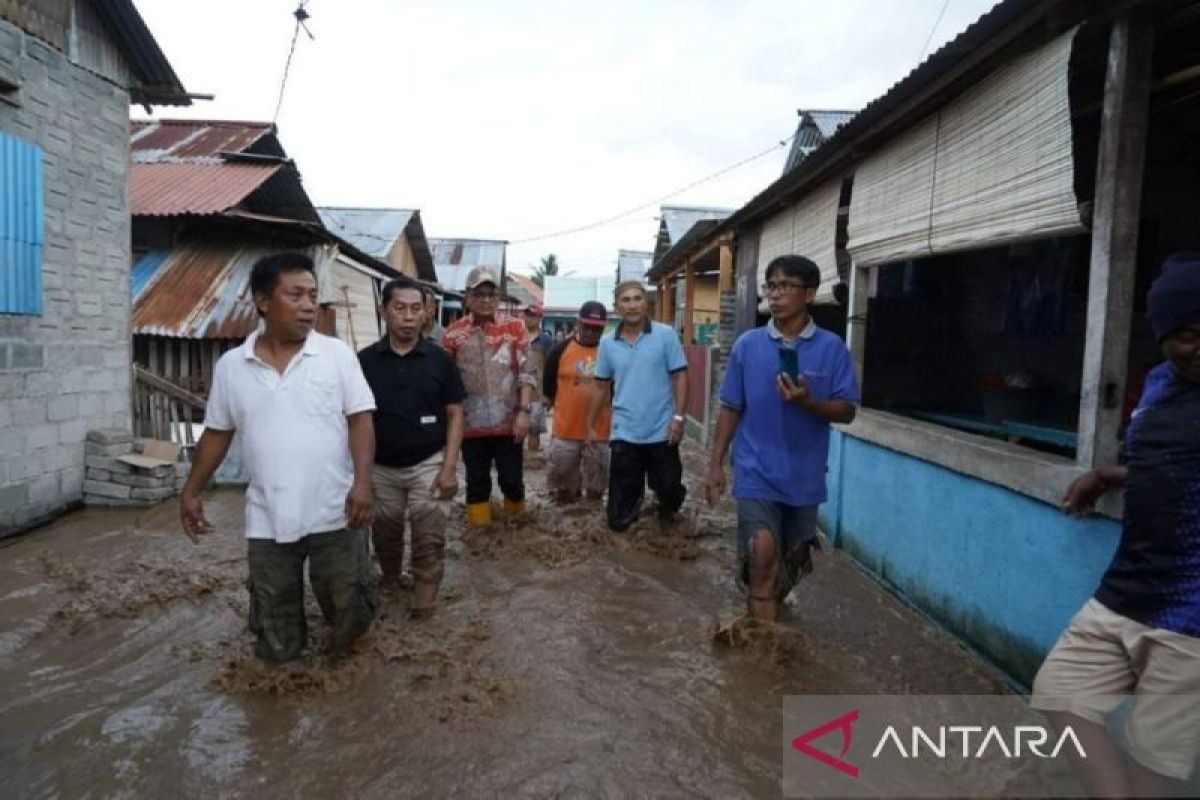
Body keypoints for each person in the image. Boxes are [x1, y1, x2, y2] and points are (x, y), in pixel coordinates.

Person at [1031, 253, 1200, 796]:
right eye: (1188, 335)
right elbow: (1168, 463)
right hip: (1127, 589)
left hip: (1193, 615)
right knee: (1059, 692)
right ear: (1164, 337)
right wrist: (1106, 473)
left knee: (1155, 763)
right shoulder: (1158, 385)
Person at [179, 252, 377, 662]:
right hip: (267, 516)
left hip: (336, 510)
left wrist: (362, 484)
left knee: (349, 615)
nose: (308, 305)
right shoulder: (233, 367)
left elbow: (360, 421)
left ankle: (344, 698)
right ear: (263, 301)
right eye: (296, 295)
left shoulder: (336, 356)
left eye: (312, 295)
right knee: (274, 630)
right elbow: (217, 433)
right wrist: (191, 491)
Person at [704, 255, 858, 622]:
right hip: (755, 470)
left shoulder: (832, 347)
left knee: (792, 562)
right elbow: (730, 408)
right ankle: (761, 657)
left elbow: (848, 411)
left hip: (804, 477)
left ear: (809, 293)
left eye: (785, 286)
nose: (775, 295)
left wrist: (810, 403)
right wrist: (715, 466)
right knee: (761, 553)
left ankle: (772, 608)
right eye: (771, 286)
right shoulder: (747, 345)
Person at [358, 278, 465, 617]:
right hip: (380, 467)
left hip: (428, 463)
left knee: (429, 535)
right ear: (383, 311)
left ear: (426, 314)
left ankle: (424, 604)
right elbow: (353, 420)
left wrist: (449, 469)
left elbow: (456, 415)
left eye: (415, 309)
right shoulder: (363, 362)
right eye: (399, 308)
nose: (407, 317)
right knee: (385, 534)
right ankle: (390, 583)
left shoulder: (440, 361)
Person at [587, 280, 688, 532]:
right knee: (618, 521)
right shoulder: (608, 344)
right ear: (617, 307)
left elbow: (680, 376)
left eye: (637, 299)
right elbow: (601, 386)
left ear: (645, 303)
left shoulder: (665, 335)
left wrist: (678, 419)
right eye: (626, 300)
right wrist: (590, 426)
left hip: (661, 430)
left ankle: (663, 511)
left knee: (670, 491)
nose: (632, 305)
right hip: (624, 432)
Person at [442, 266, 536, 527]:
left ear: (498, 298)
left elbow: (526, 373)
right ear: (467, 298)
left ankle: (518, 534)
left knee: (512, 481)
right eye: (479, 294)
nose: (485, 300)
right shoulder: (453, 334)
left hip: (509, 424)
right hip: (471, 427)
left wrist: (524, 413)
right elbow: (447, 385)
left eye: (491, 294)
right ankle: (478, 535)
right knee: (476, 484)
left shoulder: (514, 328)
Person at [544, 301, 611, 503]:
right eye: (587, 326)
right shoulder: (559, 350)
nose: (591, 331)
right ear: (578, 323)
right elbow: (548, 389)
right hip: (565, 431)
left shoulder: (610, 352)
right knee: (563, 490)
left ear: (603, 328)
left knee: (596, 491)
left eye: (596, 328)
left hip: (599, 433)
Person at [522, 304, 553, 452]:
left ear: (540, 318)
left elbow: (550, 368)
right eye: (527, 315)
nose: (530, 318)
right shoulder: (517, 336)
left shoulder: (546, 340)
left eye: (533, 315)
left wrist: (549, 394)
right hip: (517, 390)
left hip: (538, 391)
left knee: (534, 428)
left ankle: (532, 460)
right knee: (516, 427)